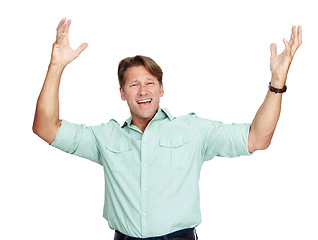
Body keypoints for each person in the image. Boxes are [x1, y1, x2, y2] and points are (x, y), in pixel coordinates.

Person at [32, 18, 302, 240]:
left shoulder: (193, 130)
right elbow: (45, 128)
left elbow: (257, 138)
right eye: (133, 84)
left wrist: (277, 82)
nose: (143, 91)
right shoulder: (105, 137)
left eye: (150, 83)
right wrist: (56, 65)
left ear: (161, 89)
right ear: (122, 93)